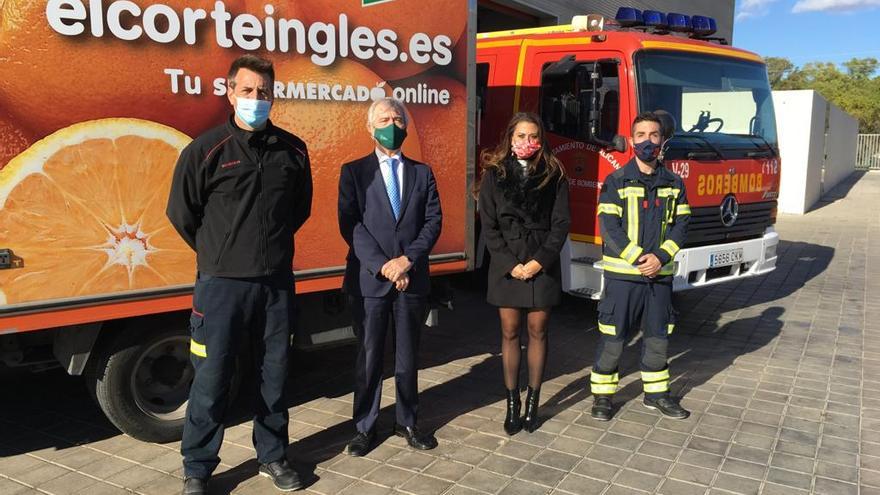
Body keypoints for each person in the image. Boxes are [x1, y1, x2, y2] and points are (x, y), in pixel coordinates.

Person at [166, 54, 312, 494]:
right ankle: (198, 467)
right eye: (247, 91)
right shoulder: (205, 150)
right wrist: (219, 254)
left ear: (274, 95)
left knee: (274, 374)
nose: (255, 99)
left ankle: (272, 456)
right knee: (211, 378)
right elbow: (181, 213)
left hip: (276, 285)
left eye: (263, 92)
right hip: (221, 287)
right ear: (229, 93)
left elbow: (298, 211)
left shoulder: (293, 150)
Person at [337, 97, 442, 456]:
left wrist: (407, 261)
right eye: (383, 119)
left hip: (411, 278)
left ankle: (407, 421)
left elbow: (432, 222)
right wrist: (385, 265)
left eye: (397, 119)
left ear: (407, 127)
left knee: (408, 356)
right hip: (371, 280)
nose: (391, 124)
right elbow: (350, 225)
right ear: (369, 127)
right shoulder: (353, 172)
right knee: (368, 358)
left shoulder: (422, 172)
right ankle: (365, 428)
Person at [589, 111, 691, 422]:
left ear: (663, 141)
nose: (648, 141)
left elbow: (682, 224)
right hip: (623, 277)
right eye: (642, 135)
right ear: (632, 141)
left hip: (659, 277)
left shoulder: (674, 183)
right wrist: (637, 259)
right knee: (614, 338)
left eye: (654, 135)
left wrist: (660, 257)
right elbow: (609, 226)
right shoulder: (616, 180)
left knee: (659, 338)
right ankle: (604, 397)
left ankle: (657, 395)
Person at [477, 112, 570, 435]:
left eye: (534, 137)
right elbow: (488, 226)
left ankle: (533, 403)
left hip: (541, 261)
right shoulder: (494, 174)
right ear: (510, 138)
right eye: (521, 137)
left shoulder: (554, 174)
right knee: (509, 331)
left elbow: (561, 225)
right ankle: (512, 403)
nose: (527, 143)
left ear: (541, 141)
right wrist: (509, 263)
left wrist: (539, 261)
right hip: (507, 264)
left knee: (538, 330)